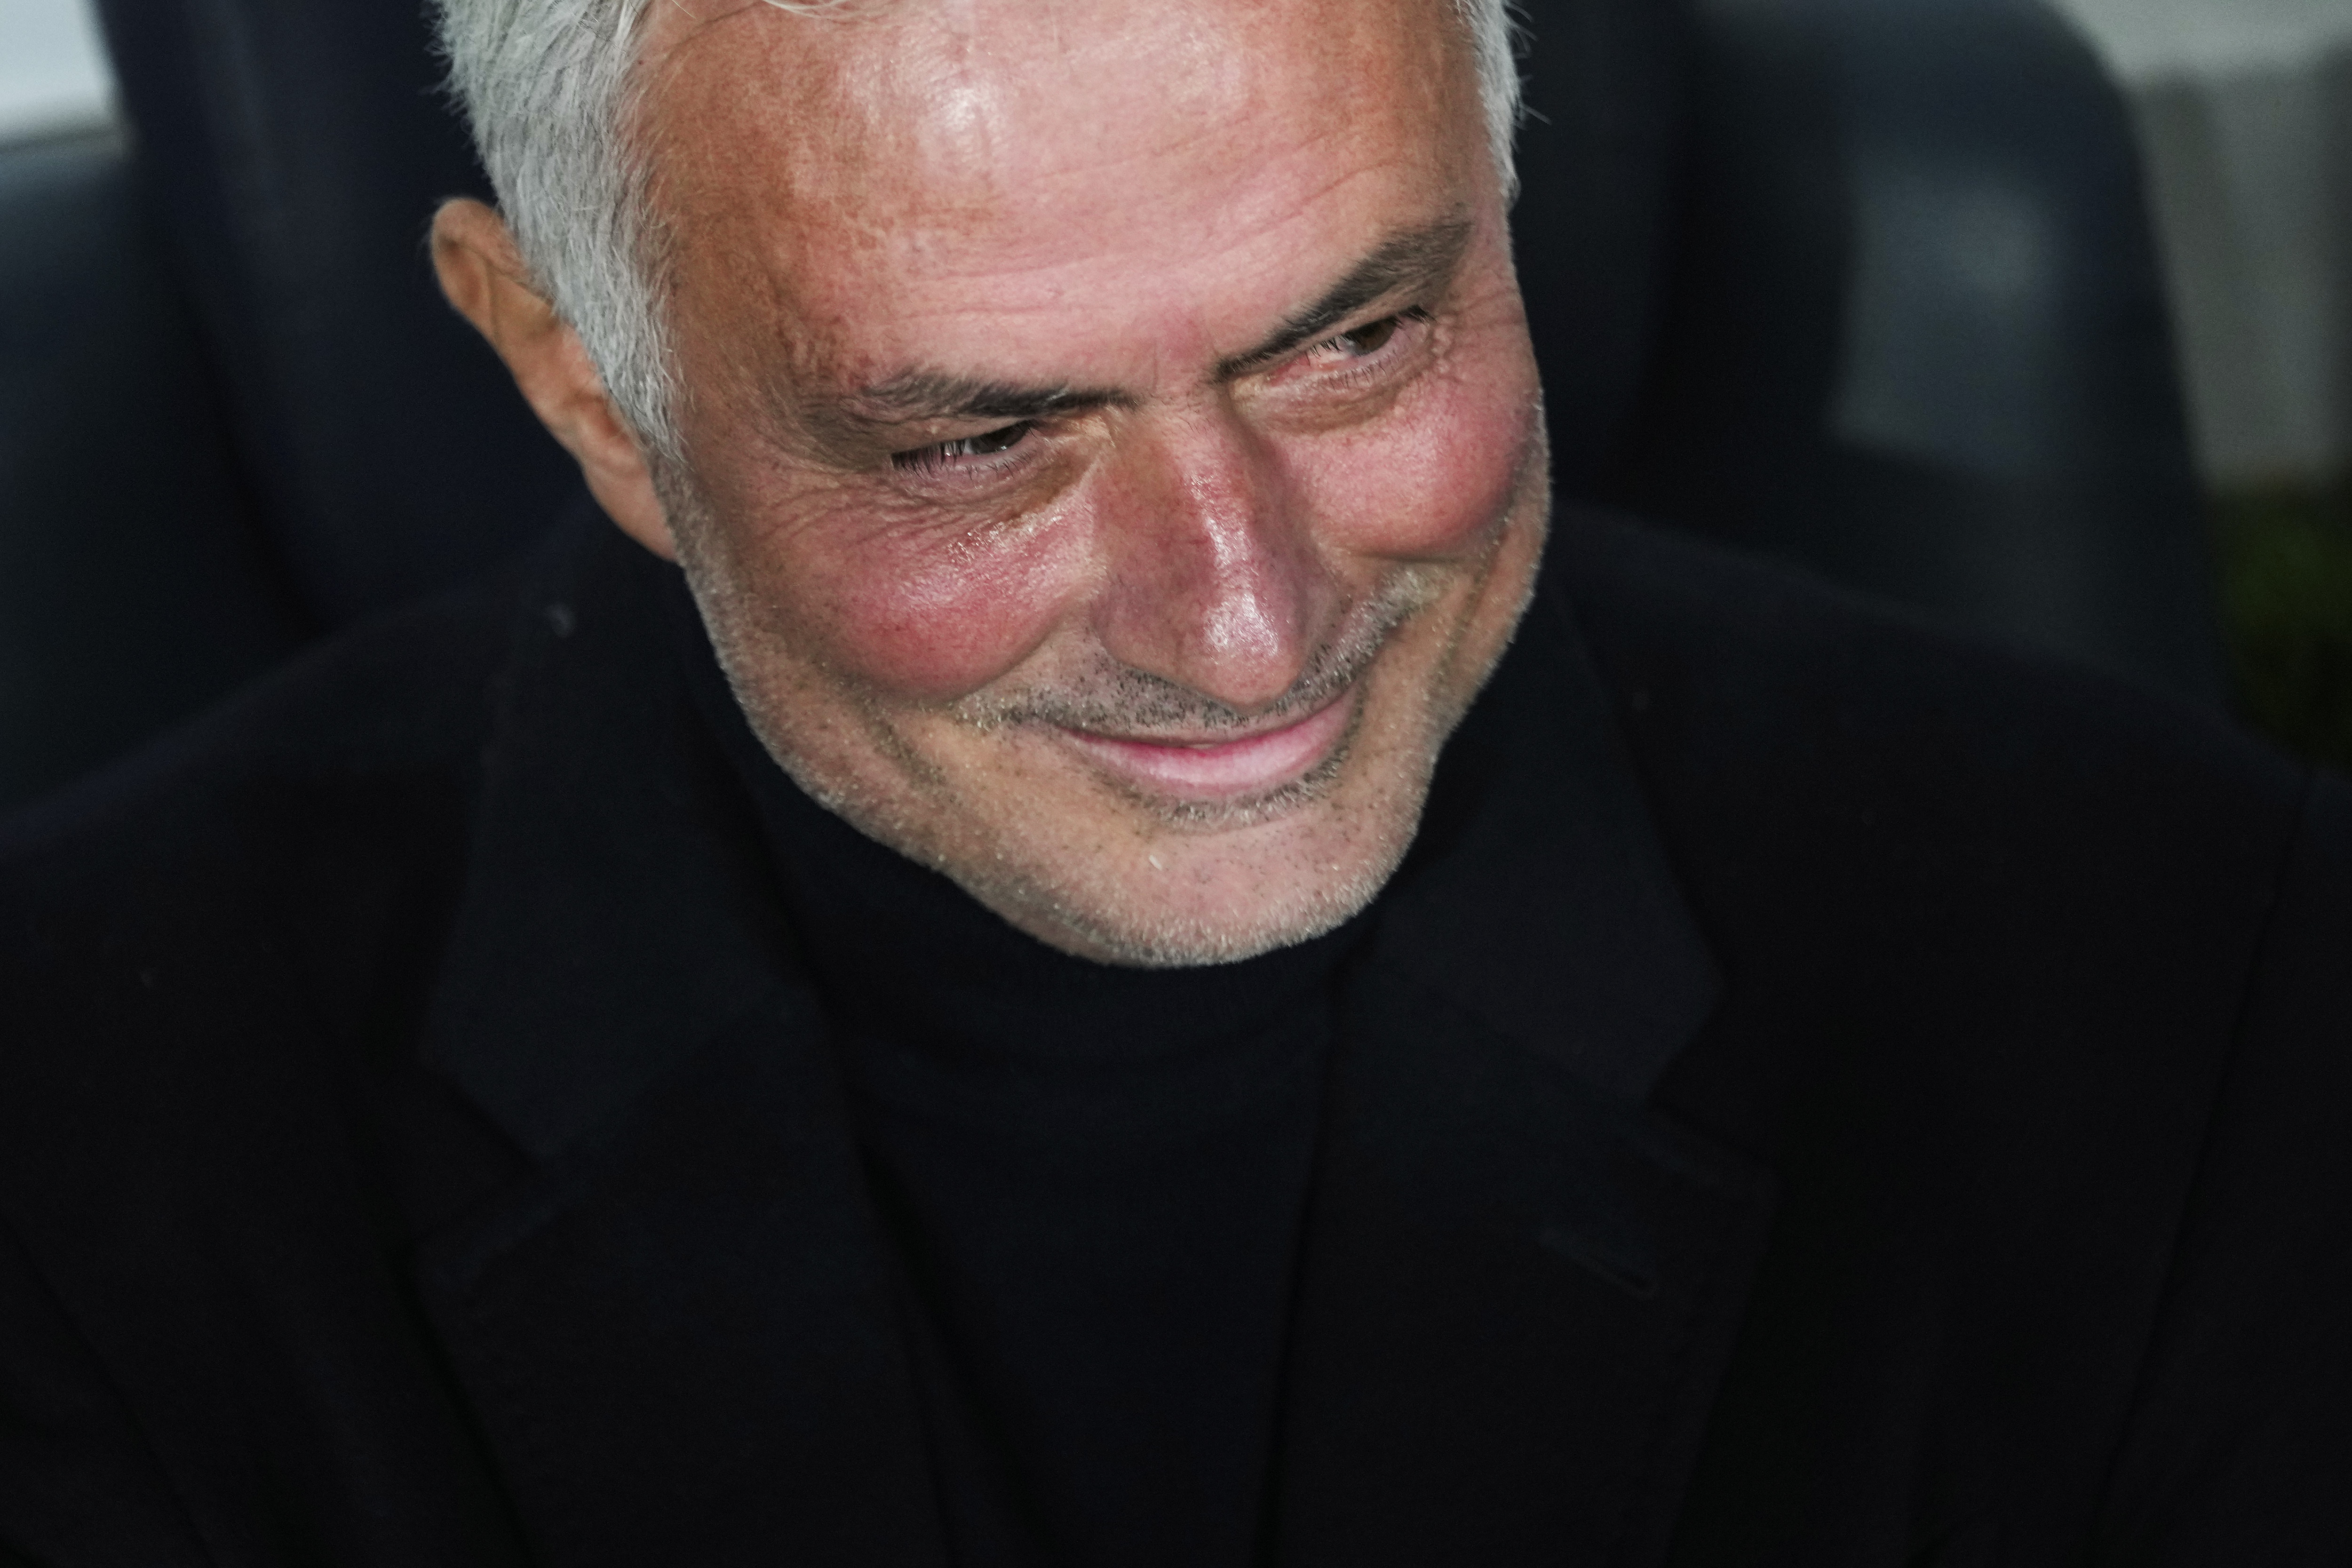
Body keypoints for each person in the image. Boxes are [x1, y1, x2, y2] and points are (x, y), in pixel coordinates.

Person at [1, 0, 2346, 1561]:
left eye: (1354, 337)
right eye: (982, 441)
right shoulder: (83, 1171)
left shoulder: (2192, 987)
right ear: (586, 390)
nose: (1245, 623)